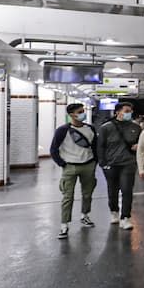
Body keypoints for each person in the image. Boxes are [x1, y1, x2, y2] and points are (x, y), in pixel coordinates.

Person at [49, 102, 98, 239]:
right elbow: (53, 149)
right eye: (80, 111)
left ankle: (85, 215)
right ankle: (64, 225)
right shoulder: (62, 130)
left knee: (87, 193)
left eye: (83, 111)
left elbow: (95, 147)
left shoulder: (90, 129)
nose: (82, 113)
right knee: (67, 197)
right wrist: (62, 163)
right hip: (69, 166)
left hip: (88, 165)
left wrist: (95, 162)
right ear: (71, 115)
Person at [96, 101, 141, 230]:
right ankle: (114, 211)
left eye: (130, 111)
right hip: (111, 164)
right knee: (112, 189)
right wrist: (103, 163)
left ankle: (125, 217)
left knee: (127, 190)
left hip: (128, 163)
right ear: (117, 112)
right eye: (126, 111)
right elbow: (100, 146)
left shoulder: (136, 127)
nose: (129, 113)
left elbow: (141, 143)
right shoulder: (106, 128)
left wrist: (138, 146)